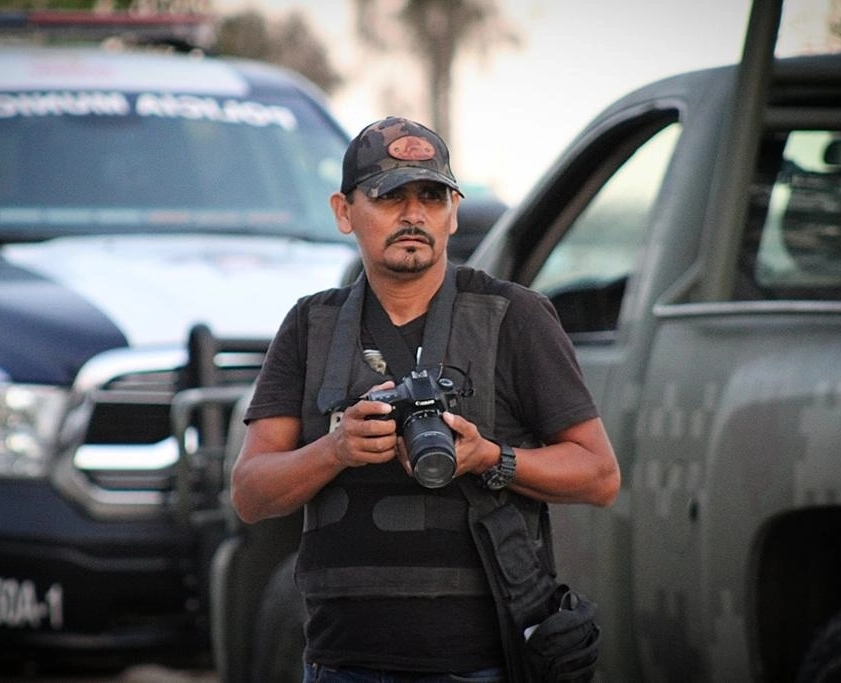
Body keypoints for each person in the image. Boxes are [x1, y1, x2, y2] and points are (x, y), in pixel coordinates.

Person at [231, 116, 620, 682]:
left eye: (432, 196)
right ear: (344, 212)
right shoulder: (310, 326)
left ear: (453, 213)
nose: (413, 215)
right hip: (342, 663)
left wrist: (489, 458)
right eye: (390, 197)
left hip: (484, 663)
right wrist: (335, 451)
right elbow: (249, 494)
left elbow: (600, 475)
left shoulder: (514, 317)